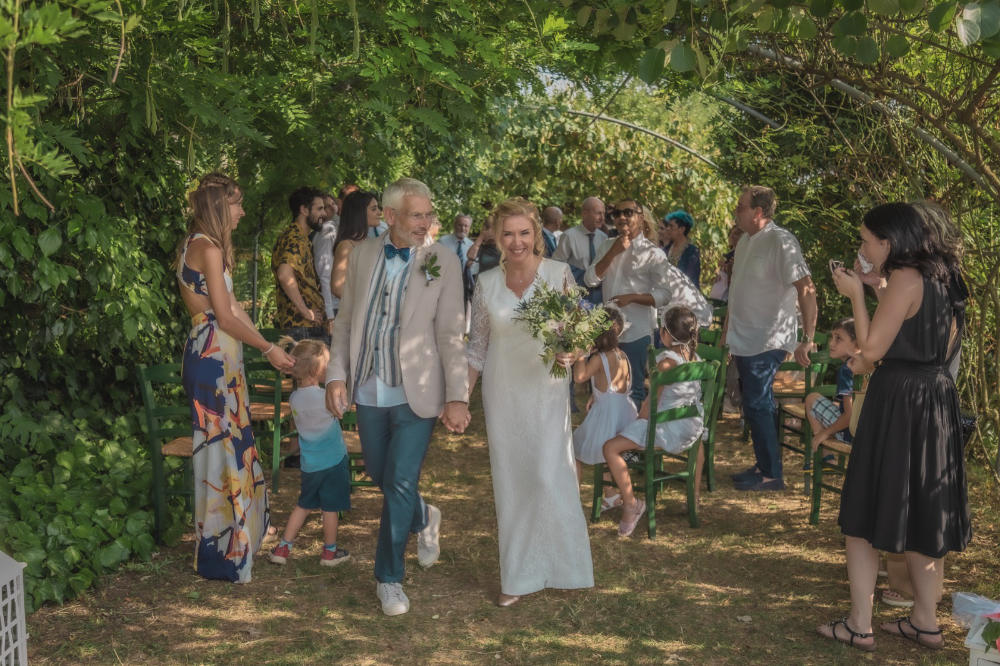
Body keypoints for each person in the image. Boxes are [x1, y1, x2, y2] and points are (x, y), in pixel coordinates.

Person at [817, 202, 970, 652]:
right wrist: (876, 287)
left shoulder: (905, 277)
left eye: (866, 240)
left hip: (901, 402)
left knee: (865, 511)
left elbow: (870, 351)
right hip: (935, 398)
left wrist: (855, 295)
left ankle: (859, 624)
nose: (862, 247)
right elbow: (910, 329)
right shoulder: (944, 276)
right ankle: (925, 621)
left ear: (889, 242)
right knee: (923, 514)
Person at [325, 177, 470, 617]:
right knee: (379, 473)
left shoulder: (443, 260)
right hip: (369, 386)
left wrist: (458, 395)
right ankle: (423, 517)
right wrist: (336, 376)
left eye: (428, 214)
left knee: (401, 481)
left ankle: (389, 578)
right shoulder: (362, 254)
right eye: (416, 215)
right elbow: (346, 321)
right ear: (390, 216)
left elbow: (451, 333)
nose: (425, 223)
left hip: (417, 390)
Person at [467, 197, 594, 608]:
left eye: (524, 233)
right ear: (496, 236)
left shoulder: (558, 274)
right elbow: (477, 348)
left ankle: (566, 567)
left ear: (536, 234)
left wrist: (573, 351)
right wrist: (459, 399)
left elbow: (580, 332)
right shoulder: (486, 283)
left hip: (546, 390)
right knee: (511, 480)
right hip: (502, 393)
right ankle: (518, 575)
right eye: (508, 234)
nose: (516, 241)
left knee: (546, 475)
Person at [175, 172, 295, 583]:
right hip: (212, 356)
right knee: (223, 449)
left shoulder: (203, 245)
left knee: (232, 444)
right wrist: (267, 348)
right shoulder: (206, 248)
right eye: (237, 203)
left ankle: (237, 541)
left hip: (218, 354)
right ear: (218, 206)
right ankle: (223, 554)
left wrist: (268, 346)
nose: (242, 211)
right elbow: (224, 318)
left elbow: (234, 308)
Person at [726, 186, 817, 492]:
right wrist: (728, 335)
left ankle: (772, 474)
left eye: (741, 206)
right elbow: (736, 292)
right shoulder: (745, 241)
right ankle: (763, 464)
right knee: (752, 406)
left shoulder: (781, 240)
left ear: (758, 212)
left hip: (768, 338)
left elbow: (806, 289)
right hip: (744, 339)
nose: (736, 211)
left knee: (759, 403)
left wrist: (808, 337)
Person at [585, 198, 712, 407]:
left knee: (633, 390)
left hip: (637, 332)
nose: (622, 217)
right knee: (603, 388)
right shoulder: (607, 246)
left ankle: (632, 429)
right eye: (617, 213)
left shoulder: (654, 254)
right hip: (607, 331)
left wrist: (633, 297)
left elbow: (664, 294)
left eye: (628, 212)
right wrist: (613, 252)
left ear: (641, 217)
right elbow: (590, 279)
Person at [601, 306, 704, 538]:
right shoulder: (697, 358)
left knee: (610, 448)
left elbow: (651, 403)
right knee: (699, 443)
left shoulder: (666, 363)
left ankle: (631, 504)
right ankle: (695, 497)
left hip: (666, 428)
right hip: (691, 427)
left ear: (666, 333)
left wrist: (637, 421)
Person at [269, 338, 351, 568]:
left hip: (310, 465)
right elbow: (343, 409)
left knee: (303, 505)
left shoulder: (294, 398)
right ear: (316, 370)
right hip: (334, 462)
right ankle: (329, 553)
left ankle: (283, 548)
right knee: (330, 508)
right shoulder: (325, 396)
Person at [571, 308, 637, 512]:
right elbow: (613, 386)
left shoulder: (599, 358)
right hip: (624, 413)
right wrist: (596, 394)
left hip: (606, 417)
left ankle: (572, 499)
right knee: (604, 452)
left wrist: (580, 355)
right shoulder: (622, 355)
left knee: (573, 449)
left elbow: (579, 377)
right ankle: (611, 496)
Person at [272, 186, 328, 342]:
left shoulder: (297, 237)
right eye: (319, 209)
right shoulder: (295, 239)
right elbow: (284, 274)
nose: (324, 214)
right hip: (302, 327)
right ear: (304, 210)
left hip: (302, 326)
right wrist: (306, 312)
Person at [804, 318, 859, 449]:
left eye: (838, 338)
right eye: (832, 337)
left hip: (851, 434)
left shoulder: (847, 369)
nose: (831, 343)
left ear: (856, 344)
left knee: (811, 398)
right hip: (870, 434)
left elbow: (850, 416)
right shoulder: (869, 364)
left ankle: (824, 451)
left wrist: (825, 433)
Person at [552, 196, 607, 302]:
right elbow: (556, 264)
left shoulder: (604, 238)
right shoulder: (569, 236)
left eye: (604, 213)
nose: (602, 218)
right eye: (598, 213)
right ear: (584, 214)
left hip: (599, 295)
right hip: (576, 295)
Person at [331, 191, 379, 302]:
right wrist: (366, 304)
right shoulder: (346, 246)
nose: (379, 213)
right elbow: (337, 288)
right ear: (359, 213)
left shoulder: (369, 242)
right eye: (374, 209)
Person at [314, 193, 339, 329]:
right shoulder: (327, 229)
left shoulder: (336, 226)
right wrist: (330, 315)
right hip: (333, 306)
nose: (332, 208)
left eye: (333, 203)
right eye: (326, 206)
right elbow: (324, 272)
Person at [659, 209, 701, 289]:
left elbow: (691, 280)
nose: (668, 229)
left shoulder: (692, 252)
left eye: (671, 226)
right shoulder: (665, 250)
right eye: (668, 226)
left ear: (681, 229)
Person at [709, 224, 744, 302]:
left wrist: (728, 267)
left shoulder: (742, 254)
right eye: (731, 233)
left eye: (737, 233)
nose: (732, 236)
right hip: (720, 295)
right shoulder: (728, 254)